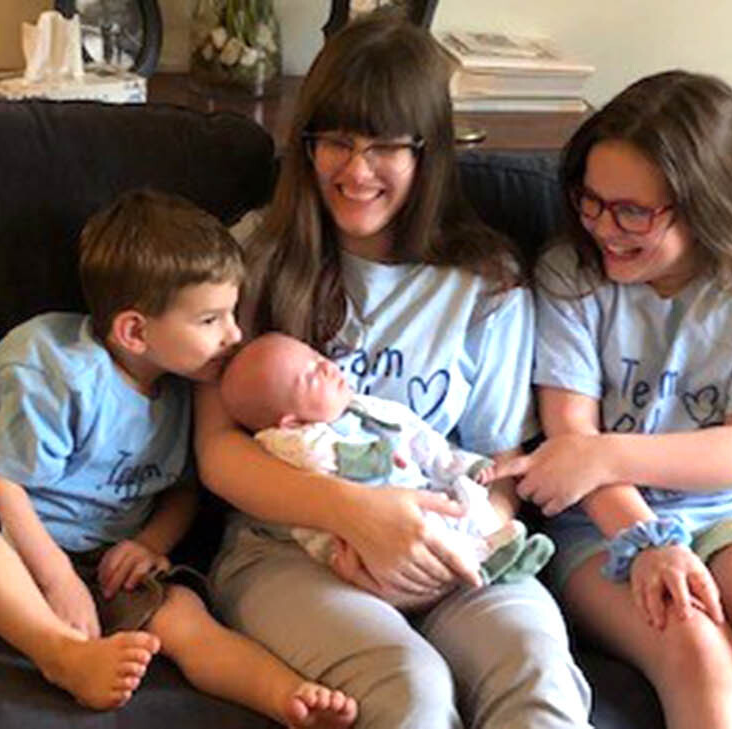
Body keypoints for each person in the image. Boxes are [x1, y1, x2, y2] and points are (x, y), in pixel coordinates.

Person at [193, 13, 594, 729]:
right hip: (287, 546)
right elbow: (218, 452)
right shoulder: (255, 256)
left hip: (452, 547)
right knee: (409, 685)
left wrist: (455, 542)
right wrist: (356, 516)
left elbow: (502, 466)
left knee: (534, 668)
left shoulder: (487, 284)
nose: (355, 169)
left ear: (428, 151)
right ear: (305, 143)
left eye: (384, 146)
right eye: (336, 141)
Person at [489, 70, 732, 728]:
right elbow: (570, 449)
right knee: (695, 644)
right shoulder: (571, 272)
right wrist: (646, 540)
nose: (604, 227)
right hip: (604, 526)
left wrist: (605, 452)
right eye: (590, 200)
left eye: (632, 212)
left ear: (702, 201)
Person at [0, 189, 357, 727]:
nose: (235, 335)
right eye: (211, 320)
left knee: (183, 616)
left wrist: (149, 544)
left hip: (103, 563)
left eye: (232, 314)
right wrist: (57, 581)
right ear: (135, 331)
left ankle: (289, 699)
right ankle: (59, 655)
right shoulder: (50, 369)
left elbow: (184, 491)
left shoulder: (189, 387)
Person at [218, 331, 554, 585]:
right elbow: (332, 460)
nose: (325, 365)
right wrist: (382, 456)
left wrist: (469, 465)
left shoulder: (367, 408)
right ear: (290, 421)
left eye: (315, 355)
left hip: (428, 493)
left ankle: (493, 549)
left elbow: (423, 441)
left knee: (469, 498)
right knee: (428, 533)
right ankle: (479, 560)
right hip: (366, 529)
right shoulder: (296, 442)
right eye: (309, 377)